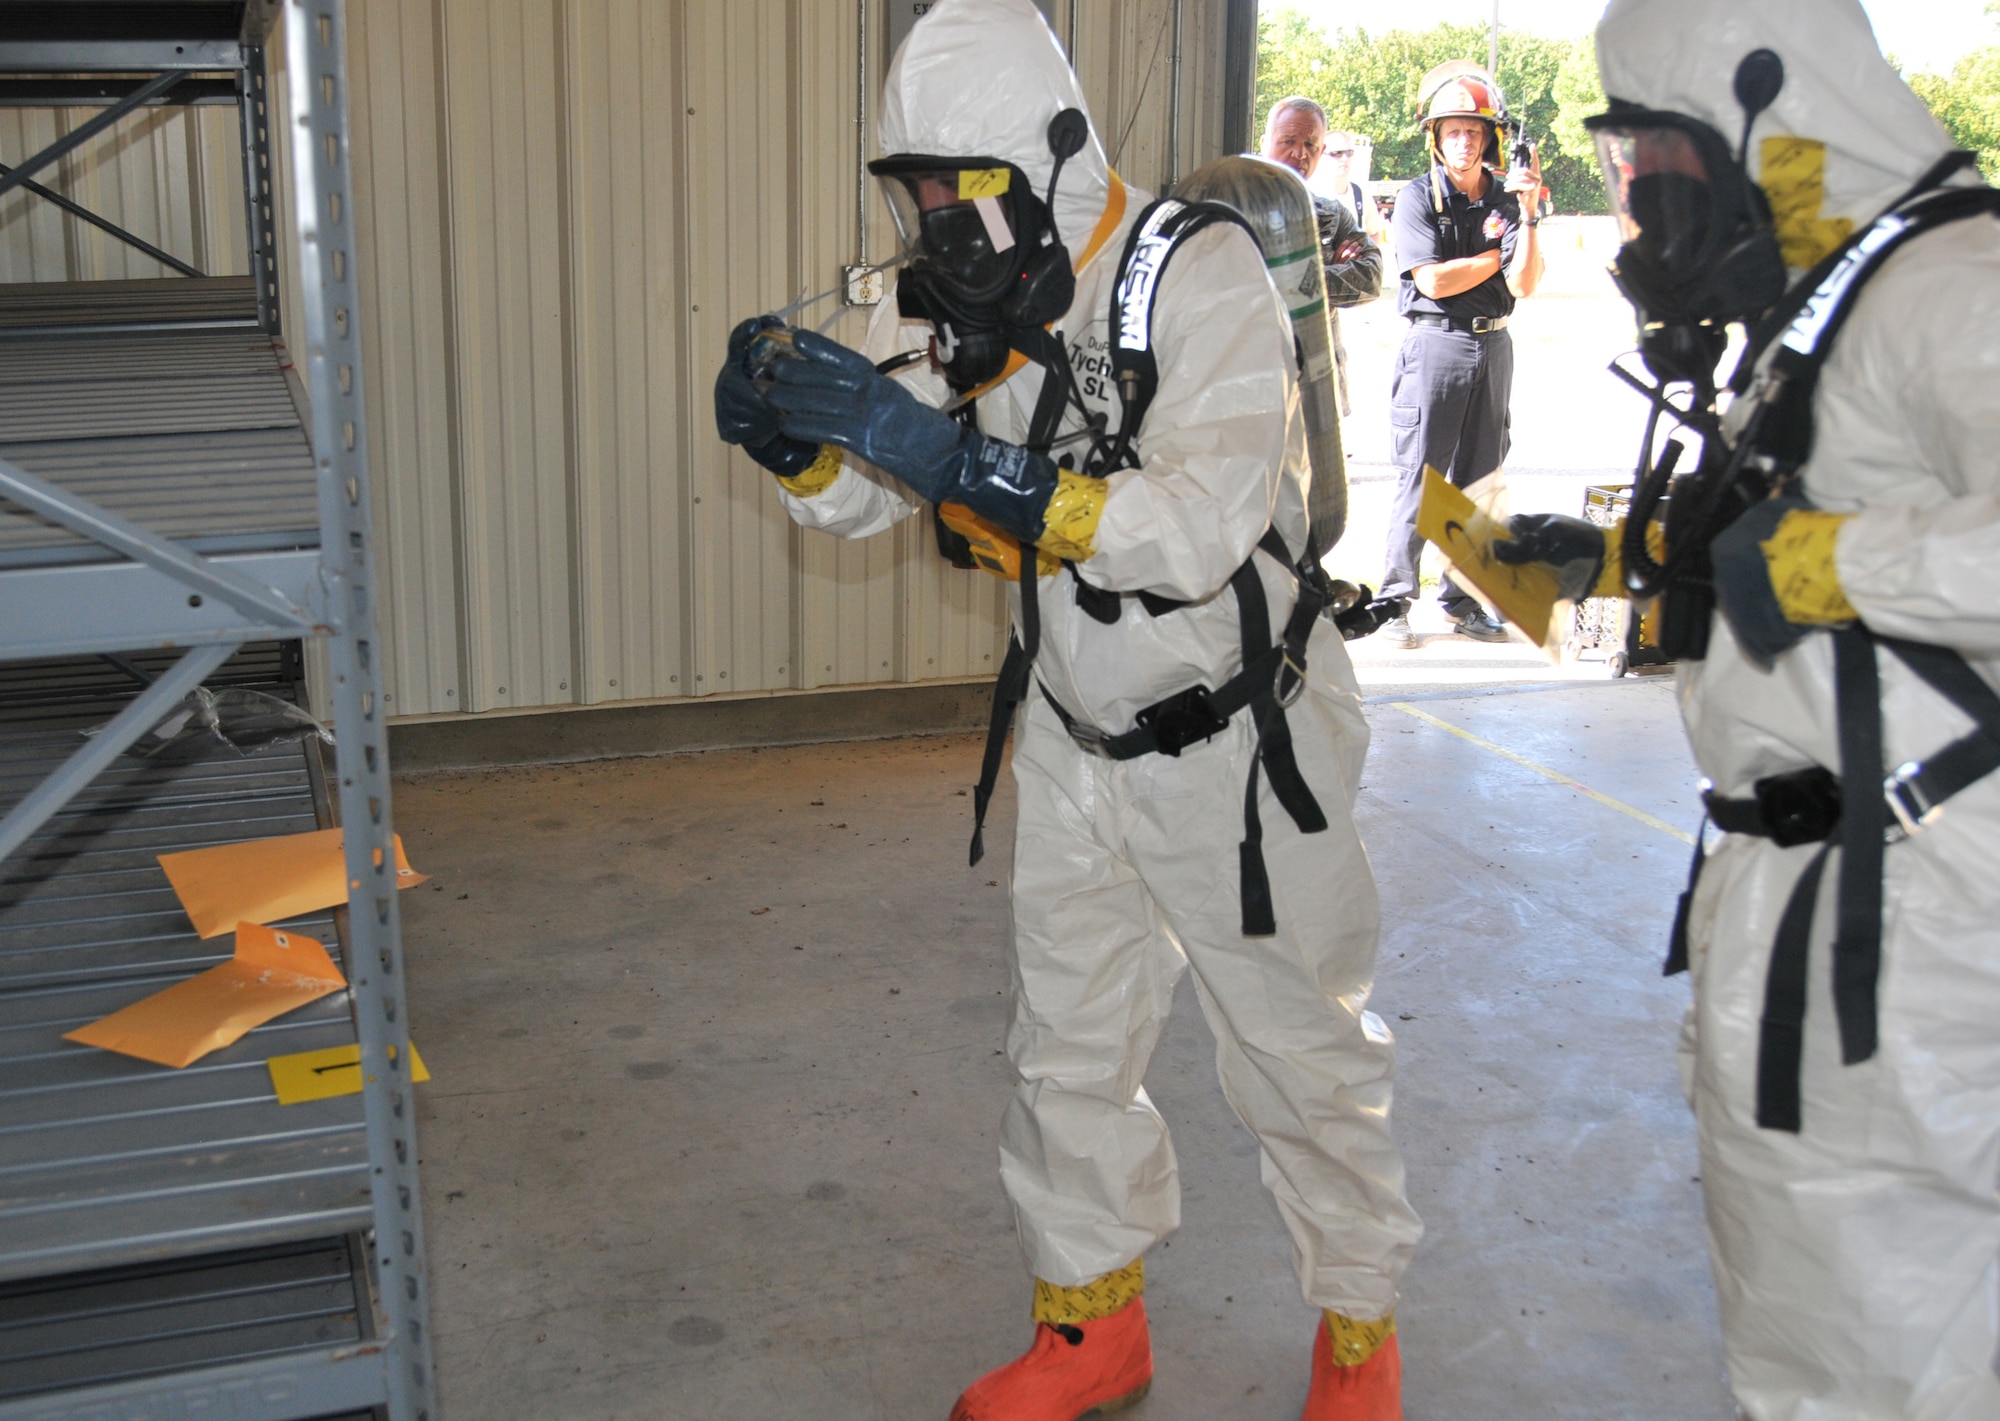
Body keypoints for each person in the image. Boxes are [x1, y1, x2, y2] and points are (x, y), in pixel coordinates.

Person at [714, 3, 1421, 1417]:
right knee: (1068, 1046)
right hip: (1076, 734)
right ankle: (1093, 1325)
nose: (933, 227)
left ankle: (1360, 1335)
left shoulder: (1195, 273)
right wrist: (800, 442)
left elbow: (1202, 524)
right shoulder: (952, 295)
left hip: (1239, 745)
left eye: (955, 191)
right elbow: (867, 497)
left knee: (1299, 1048)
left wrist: (970, 470)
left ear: (1048, 158)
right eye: (910, 195)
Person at [1486, 2, 2000, 1415]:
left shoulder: (1955, 283)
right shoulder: (1830, 302)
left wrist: (1829, 566)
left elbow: (1842, 564)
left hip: (1922, 945)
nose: (1643, 188)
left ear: (1769, 113)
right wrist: (1621, 573)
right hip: (1801, 911)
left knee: (1896, 1357)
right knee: (1811, 1334)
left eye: (1664, 149)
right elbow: (1791, 569)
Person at [1375, 69, 1543, 650]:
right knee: (1421, 478)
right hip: (1436, 343)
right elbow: (1435, 282)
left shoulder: (1506, 199)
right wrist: (1500, 251)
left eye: (1474, 131)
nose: (1465, 142)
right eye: (1453, 132)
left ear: (1490, 138)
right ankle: (1394, 600)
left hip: (1495, 343)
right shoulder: (1418, 197)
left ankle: (1463, 601)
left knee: (1481, 482)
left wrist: (1530, 213)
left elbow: (1525, 283)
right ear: (1436, 137)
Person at [1262, 97, 1383, 417]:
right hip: (1255, 387)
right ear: (1266, 143)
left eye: (1311, 144)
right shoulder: (1234, 207)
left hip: (1317, 387)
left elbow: (1372, 277)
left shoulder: (1331, 213)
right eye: (1288, 141)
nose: (1299, 153)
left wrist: (1298, 279)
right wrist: (1330, 268)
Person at [1324, 130, 1387, 245]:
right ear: (1321, 155)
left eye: (1349, 153)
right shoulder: (1310, 196)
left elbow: (1374, 233)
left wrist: (1366, 256)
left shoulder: (1361, 196)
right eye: (1337, 153)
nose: (1344, 158)